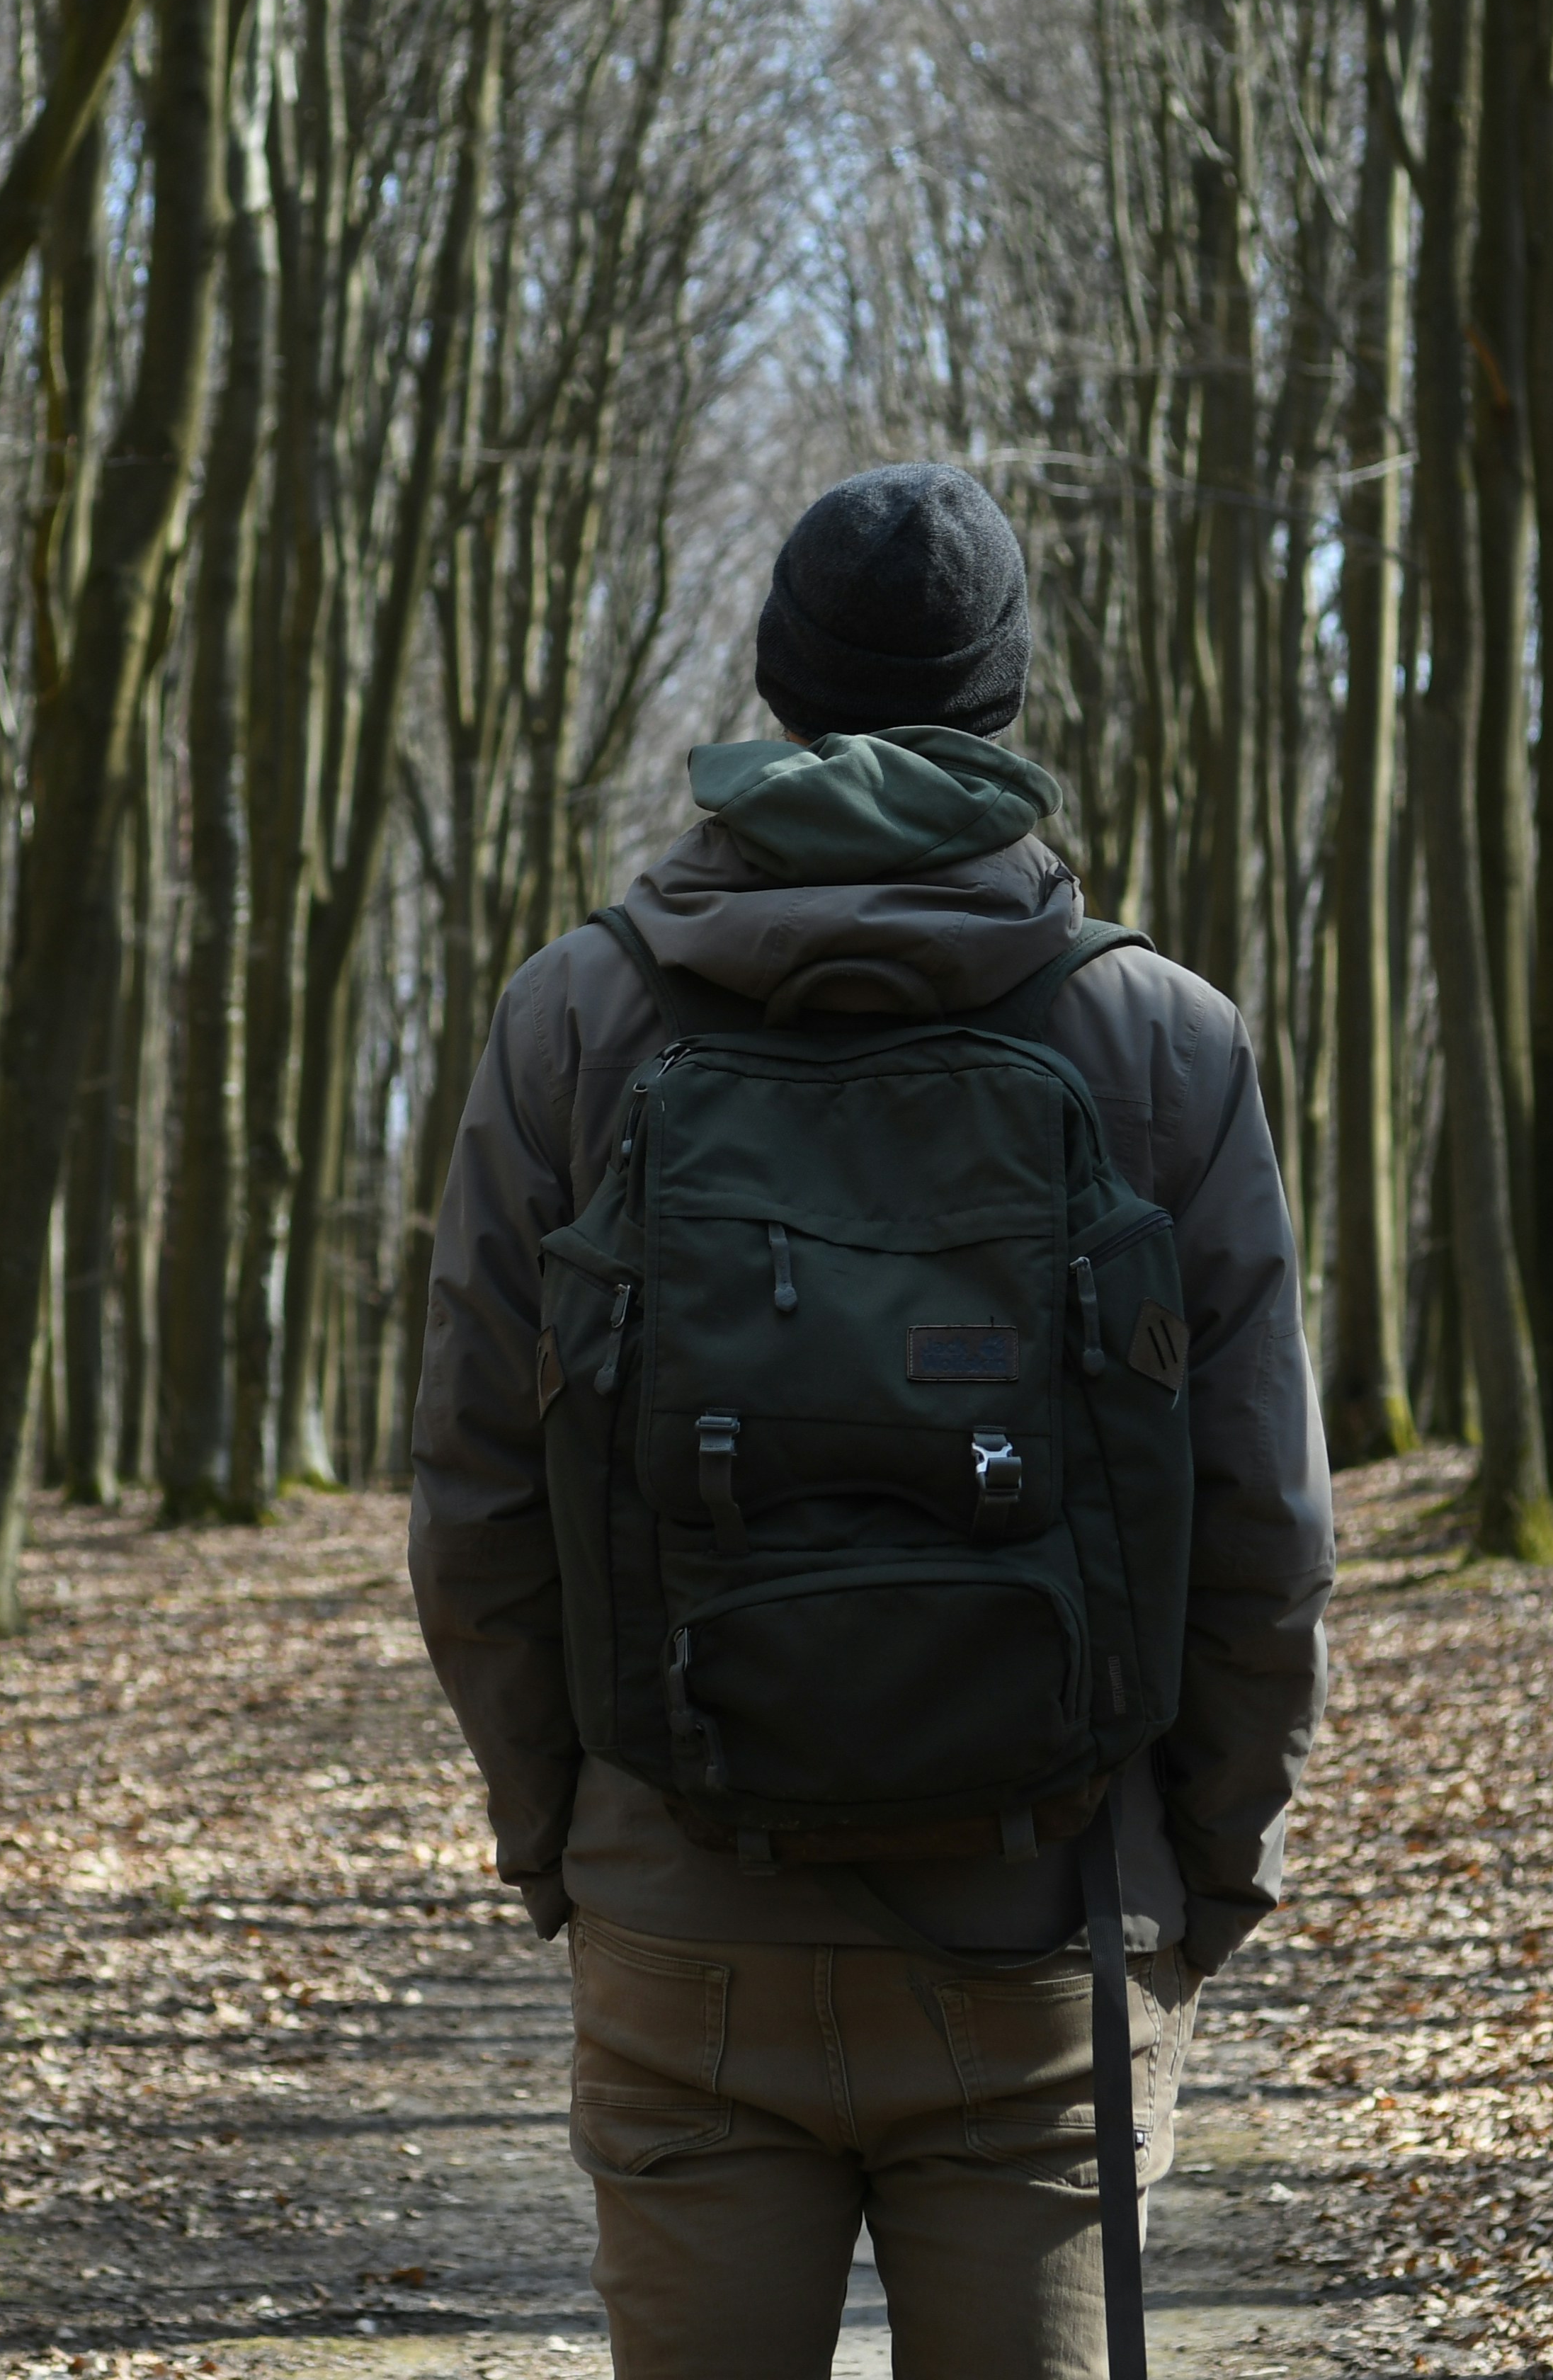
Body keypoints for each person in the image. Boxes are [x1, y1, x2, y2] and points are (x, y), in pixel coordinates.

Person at [408, 461, 1335, 2377]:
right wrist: (1200, 1876)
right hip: (1050, 1936)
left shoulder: (579, 1019)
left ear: (780, 686)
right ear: (1001, 694)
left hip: (685, 1925)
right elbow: (1265, 1525)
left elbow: (480, 1504)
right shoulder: (1160, 1038)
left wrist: (565, 1841)